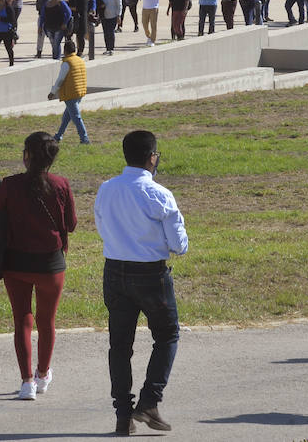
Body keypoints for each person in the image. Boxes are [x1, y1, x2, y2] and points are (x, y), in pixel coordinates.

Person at [95, 130, 188, 436]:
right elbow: (179, 245)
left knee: (120, 346)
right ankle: (149, 401)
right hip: (150, 274)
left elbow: (102, 227)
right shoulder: (160, 194)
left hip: (114, 271)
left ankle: (123, 415)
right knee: (167, 335)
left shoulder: (106, 189)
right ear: (152, 157)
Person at [0, 132, 78, 401]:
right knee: (47, 321)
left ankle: (27, 382)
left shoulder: (10, 184)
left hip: (16, 263)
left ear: (27, 155)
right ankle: (43, 374)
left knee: (22, 321)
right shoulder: (61, 185)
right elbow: (71, 224)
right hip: (51, 265)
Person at [48, 39, 88, 144]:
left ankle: (84, 139)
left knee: (76, 117)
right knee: (67, 117)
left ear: (65, 50)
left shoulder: (67, 63)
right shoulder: (79, 60)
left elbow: (60, 79)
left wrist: (53, 92)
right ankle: (58, 136)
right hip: (79, 91)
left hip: (70, 93)